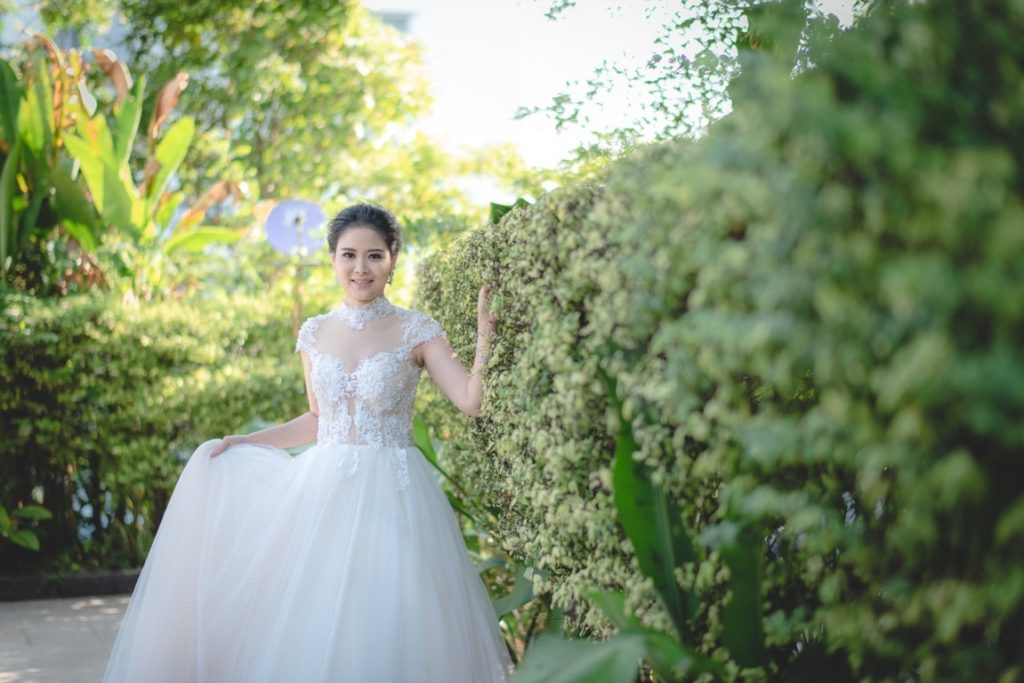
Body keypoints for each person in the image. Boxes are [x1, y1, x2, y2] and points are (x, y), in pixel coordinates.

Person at [102, 203, 513, 682]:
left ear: (393, 258)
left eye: (374, 256)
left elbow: (470, 400)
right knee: (314, 618)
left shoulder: (417, 330)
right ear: (333, 259)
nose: (361, 268)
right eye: (349, 255)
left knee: (389, 619)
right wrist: (245, 441)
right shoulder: (315, 332)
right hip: (324, 493)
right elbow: (320, 420)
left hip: (395, 497)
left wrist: (485, 338)